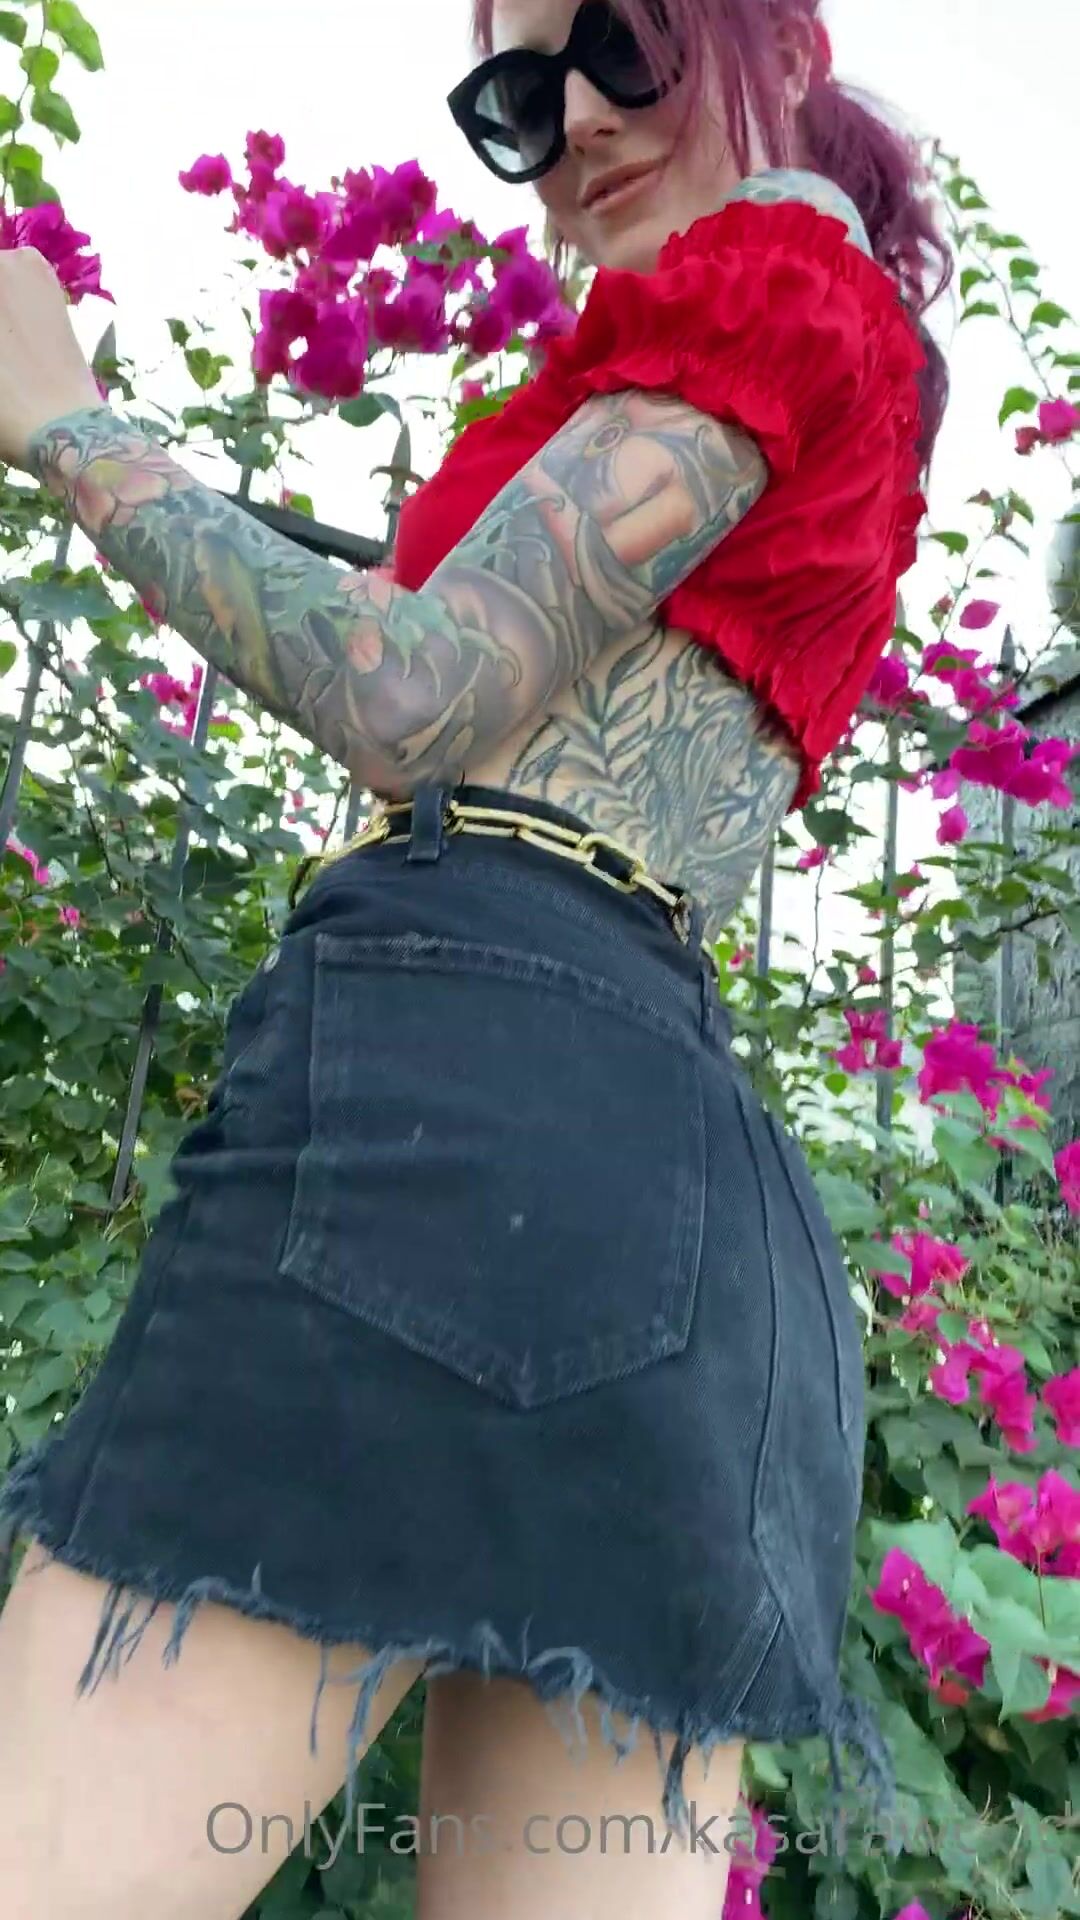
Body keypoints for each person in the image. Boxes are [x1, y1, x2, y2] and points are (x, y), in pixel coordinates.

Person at [0, 1, 951, 1914]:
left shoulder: (775, 278)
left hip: (455, 1099)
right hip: (675, 1195)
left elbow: (412, 694)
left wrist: (62, 418)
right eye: (517, 91)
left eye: (621, 38)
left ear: (768, 38)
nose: (575, 111)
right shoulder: (807, 372)